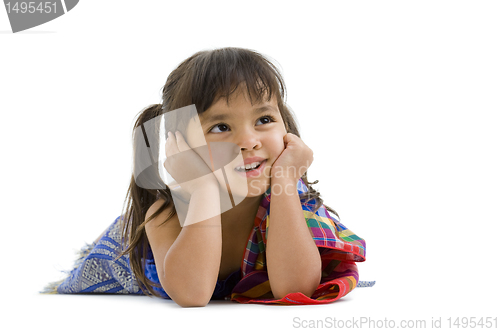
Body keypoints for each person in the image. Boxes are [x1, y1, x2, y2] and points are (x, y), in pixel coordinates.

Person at [41, 47, 372, 307]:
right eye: (221, 127)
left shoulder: (293, 202)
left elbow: (296, 289)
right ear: (180, 147)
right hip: (125, 261)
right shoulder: (165, 212)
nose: (249, 141)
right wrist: (202, 192)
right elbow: (192, 295)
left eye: (264, 119)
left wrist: (285, 182)